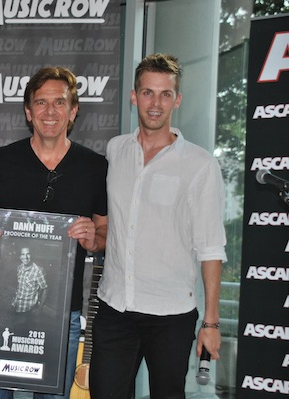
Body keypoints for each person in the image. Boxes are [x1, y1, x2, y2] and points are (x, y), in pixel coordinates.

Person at [90, 53, 227, 398]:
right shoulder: (115, 150)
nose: (156, 103)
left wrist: (210, 323)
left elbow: (211, 247)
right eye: (148, 93)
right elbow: (107, 222)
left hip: (171, 314)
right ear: (134, 96)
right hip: (115, 307)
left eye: (165, 94)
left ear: (177, 100)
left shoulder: (199, 165)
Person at [0, 66, 108, 399]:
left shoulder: (95, 167)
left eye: (60, 102)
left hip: (62, 314)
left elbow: (104, 231)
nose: (51, 111)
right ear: (28, 111)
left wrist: (94, 237)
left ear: (73, 110)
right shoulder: (2, 161)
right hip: (1, 311)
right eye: (41, 103)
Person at [12, 247, 47, 313]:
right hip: (16, 304)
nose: (26, 257)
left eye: (28, 254)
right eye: (23, 254)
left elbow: (45, 289)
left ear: (31, 256)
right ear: (20, 257)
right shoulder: (19, 267)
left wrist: (39, 309)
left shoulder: (38, 271)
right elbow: (20, 285)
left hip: (28, 309)